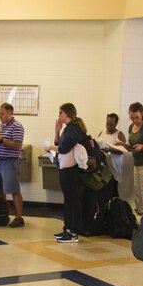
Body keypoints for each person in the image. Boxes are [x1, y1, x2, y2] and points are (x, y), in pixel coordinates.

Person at [53, 102, 88, 243]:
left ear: (67, 113)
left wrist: (50, 147)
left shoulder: (74, 129)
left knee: (73, 201)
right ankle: (67, 228)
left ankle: (74, 232)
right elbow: (59, 143)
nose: (59, 115)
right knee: (68, 201)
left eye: (60, 113)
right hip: (65, 170)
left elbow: (63, 148)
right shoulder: (68, 129)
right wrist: (57, 130)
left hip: (72, 171)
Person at [0, 102, 26, 227]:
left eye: (2, 113)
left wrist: (1, 140)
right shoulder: (0, 126)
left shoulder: (17, 126)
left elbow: (17, 145)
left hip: (9, 162)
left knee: (14, 190)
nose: (0, 116)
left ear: (10, 113)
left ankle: (19, 217)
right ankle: (1, 214)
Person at [96, 113, 127, 190]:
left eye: (111, 125)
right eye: (107, 124)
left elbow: (123, 151)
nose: (108, 127)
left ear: (116, 124)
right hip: (103, 167)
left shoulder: (119, 134)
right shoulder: (101, 133)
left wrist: (110, 149)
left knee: (113, 189)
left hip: (114, 166)